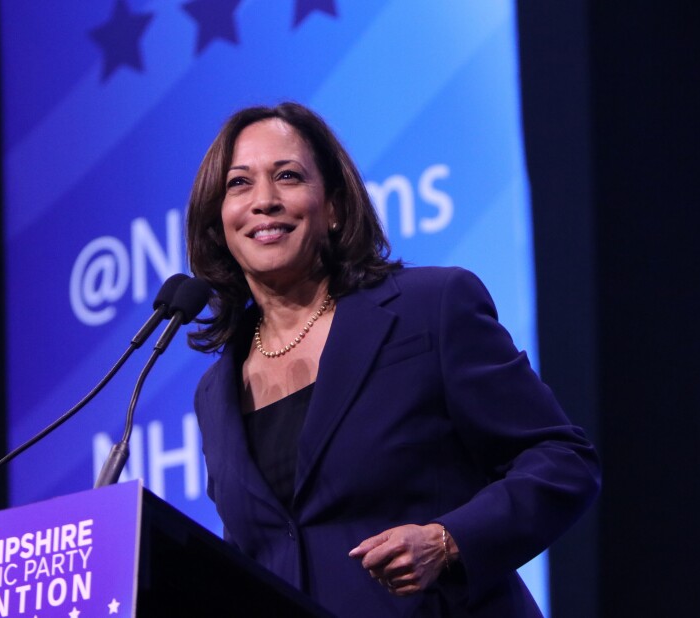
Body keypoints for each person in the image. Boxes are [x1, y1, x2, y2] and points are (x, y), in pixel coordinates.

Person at [186, 101, 600, 617]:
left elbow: (562, 460)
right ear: (217, 220)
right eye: (238, 184)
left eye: (288, 176)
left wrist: (449, 540)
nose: (264, 201)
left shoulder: (429, 308)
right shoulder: (215, 391)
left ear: (333, 207)